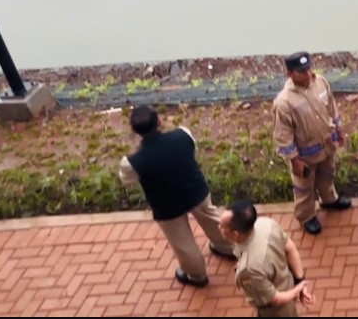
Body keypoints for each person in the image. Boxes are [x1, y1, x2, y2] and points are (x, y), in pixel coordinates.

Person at [118, 104, 236, 288]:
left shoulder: (132, 163)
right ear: (159, 121)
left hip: (167, 206)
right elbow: (191, 150)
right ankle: (228, 247)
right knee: (213, 218)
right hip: (196, 191)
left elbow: (127, 179)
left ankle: (197, 276)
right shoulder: (183, 135)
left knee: (182, 242)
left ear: (135, 131)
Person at [272, 51, 352, 235]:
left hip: (327, 147)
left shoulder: (321, 82)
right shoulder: (284, 102)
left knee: (327, 175)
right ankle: (306, 216)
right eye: (301, 72)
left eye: (308, 68)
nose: (307, 74)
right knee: (304, 188)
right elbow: (283, 135)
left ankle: (329, 199)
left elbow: (332, 107)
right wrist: (294, 160)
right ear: (290, 74)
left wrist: (339, 130)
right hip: (305, 156)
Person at [219, 199, 314, 317]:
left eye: (222, 226)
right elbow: (290, 248)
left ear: (235, 234)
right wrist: (299, 281)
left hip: (275, 311)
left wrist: (298, 289)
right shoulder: (266, 224)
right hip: (287, 283)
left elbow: (276, 299)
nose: (219, 228)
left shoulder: (249, 269)